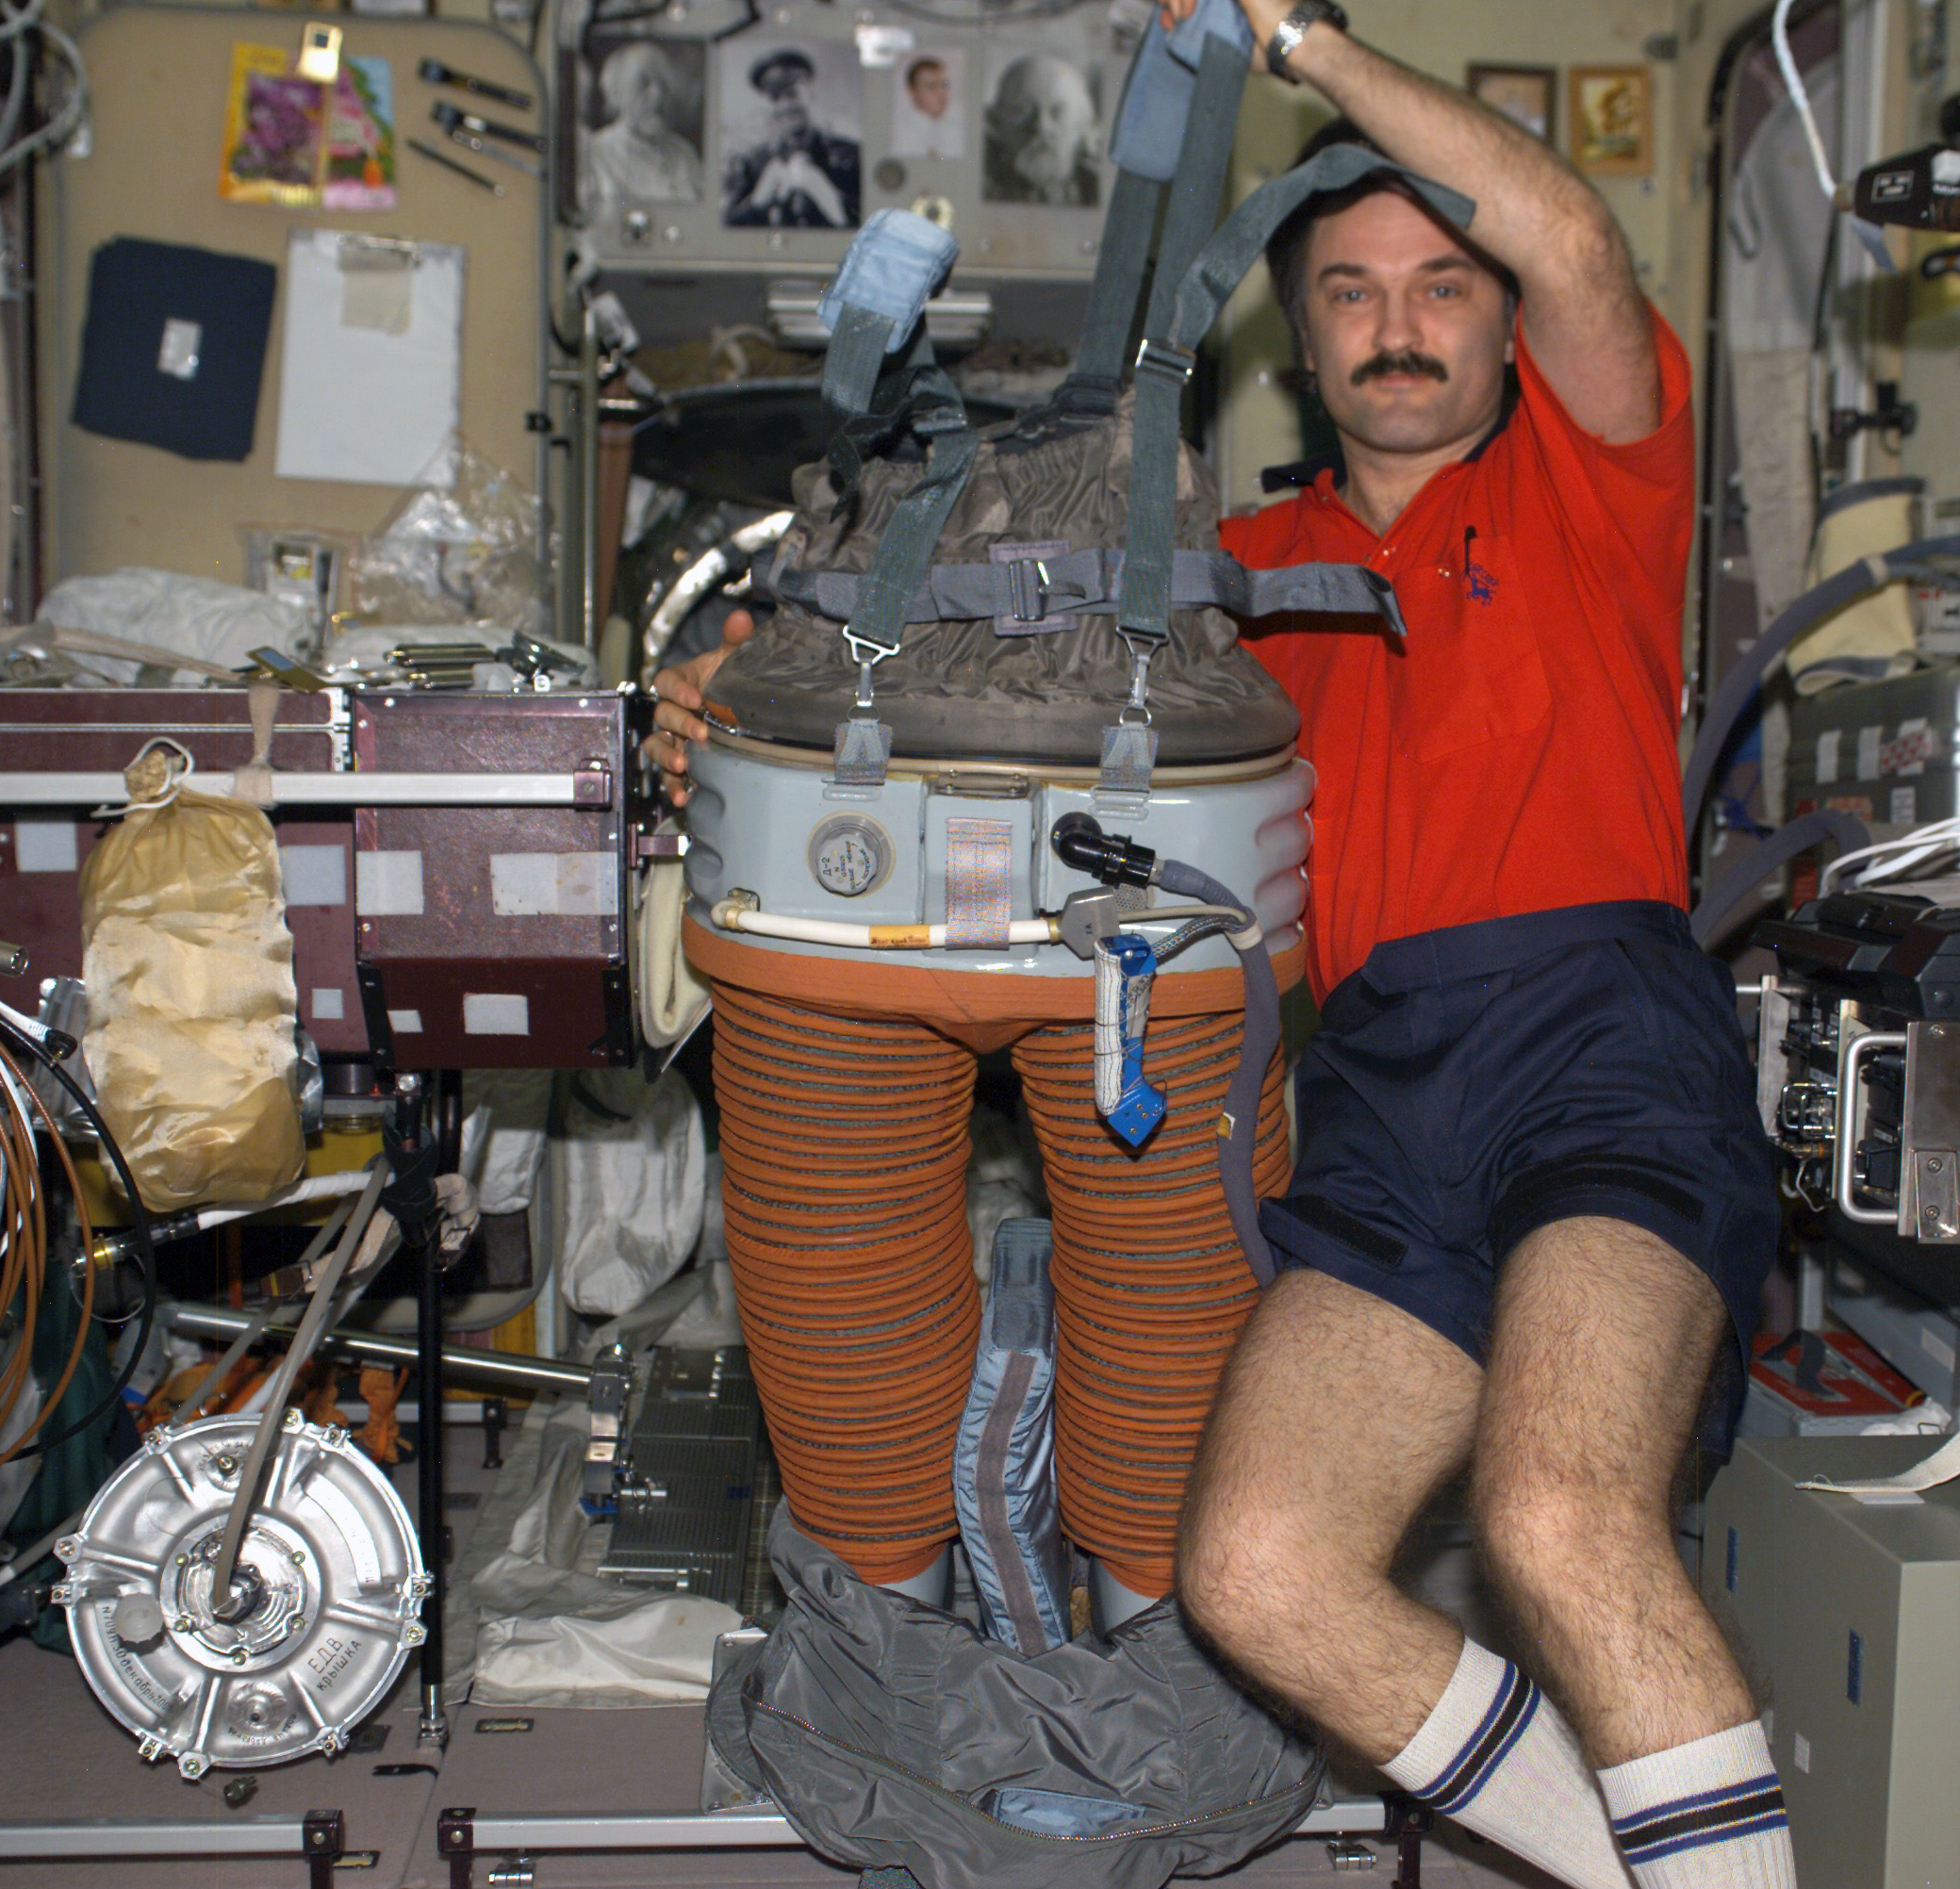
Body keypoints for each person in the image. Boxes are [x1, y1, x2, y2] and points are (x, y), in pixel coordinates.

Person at [647, 5, 1787, 1883]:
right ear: (1300, 338)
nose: (1396, 324)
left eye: (1439, 286)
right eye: (1349, 292)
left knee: (1556, 1514)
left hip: (1599, 1038)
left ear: (1503, 325)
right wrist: (739, 701)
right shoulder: (1220, 585)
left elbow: (1578, 240)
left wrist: (1302, 45)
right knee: (1252, 1569)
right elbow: (957, 660)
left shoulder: (1594, 485)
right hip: (1379, 1087)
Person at [723, 47, 861, 228]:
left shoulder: (851, 156)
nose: (785, 107)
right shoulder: (752, 162)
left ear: (810, 95)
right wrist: (756, 203)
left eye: (793, 95)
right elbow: (726, 228)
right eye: (775, 98)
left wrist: (827, 195)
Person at [589, 41, 703, 205]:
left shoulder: (684, 154)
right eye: (643, 84)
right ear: (615, 94)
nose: (658, 95)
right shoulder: (597, 153)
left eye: (663, 84)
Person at [982, 54, 1101, 205]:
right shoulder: (982, 186)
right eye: (1022, 110)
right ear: (996, 121)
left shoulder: (1097, 191)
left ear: (1083, 123)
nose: (1041, 127)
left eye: (1057, 113)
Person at [892, 54, 961, 158]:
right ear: (912, 92)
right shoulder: (899, 136)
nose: (941, 93)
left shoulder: (957, 128)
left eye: (944, 85)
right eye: (931, 86)